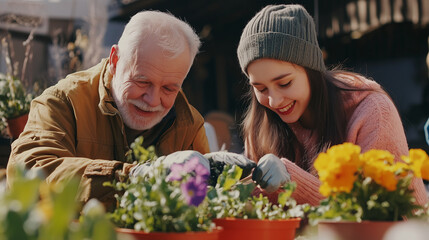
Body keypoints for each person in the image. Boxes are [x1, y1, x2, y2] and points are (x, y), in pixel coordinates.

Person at [6, 10, 255, 210]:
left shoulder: (188, 123)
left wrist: (245, 179)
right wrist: (135, 176)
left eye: (170, 88)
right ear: (115, 60)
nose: (152, 99)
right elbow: (31, 172)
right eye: (142, 81)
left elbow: (204, 208)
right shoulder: (61, 102)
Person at [237, 4, 428, 206]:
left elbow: (374, 213)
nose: (274, 101)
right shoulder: (261, 123)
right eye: (261, 88)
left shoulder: (372, 111)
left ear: (312, 70)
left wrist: (290, 180)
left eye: (285, 83)